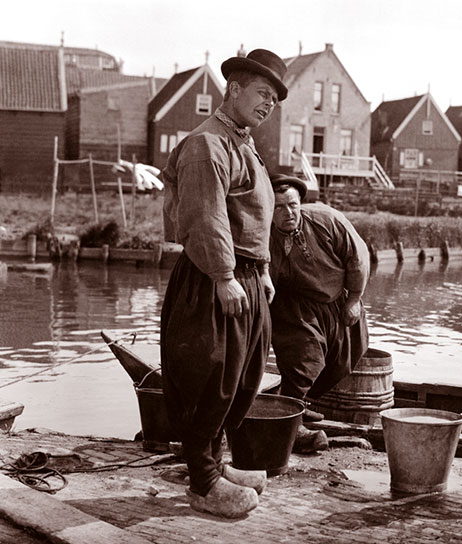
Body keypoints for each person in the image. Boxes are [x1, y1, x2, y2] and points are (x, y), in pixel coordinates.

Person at [159, 48, 288, 518]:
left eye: (274, 98)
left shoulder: (244, 142)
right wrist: (224, 275)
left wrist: (266, 270)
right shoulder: (207, 143)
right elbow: (204, 216)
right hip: (214, 278)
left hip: (248, 276)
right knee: (210, 379)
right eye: (261, 92)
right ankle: (203, 481)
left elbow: (257, 214)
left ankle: (217, 461)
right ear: (233, 88)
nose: (268, 103)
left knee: (242, 379)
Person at [268, 174, 370, 453]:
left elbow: (358, 257)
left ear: (301, 202)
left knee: (347, 356)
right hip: (291, 305)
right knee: (305, 360)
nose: (288, 213)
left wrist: (355, 299)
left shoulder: (327, 220)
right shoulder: (260, 231)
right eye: (278, 207)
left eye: (292, 205)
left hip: (336, 300)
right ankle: (291, 422)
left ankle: (298, 405)